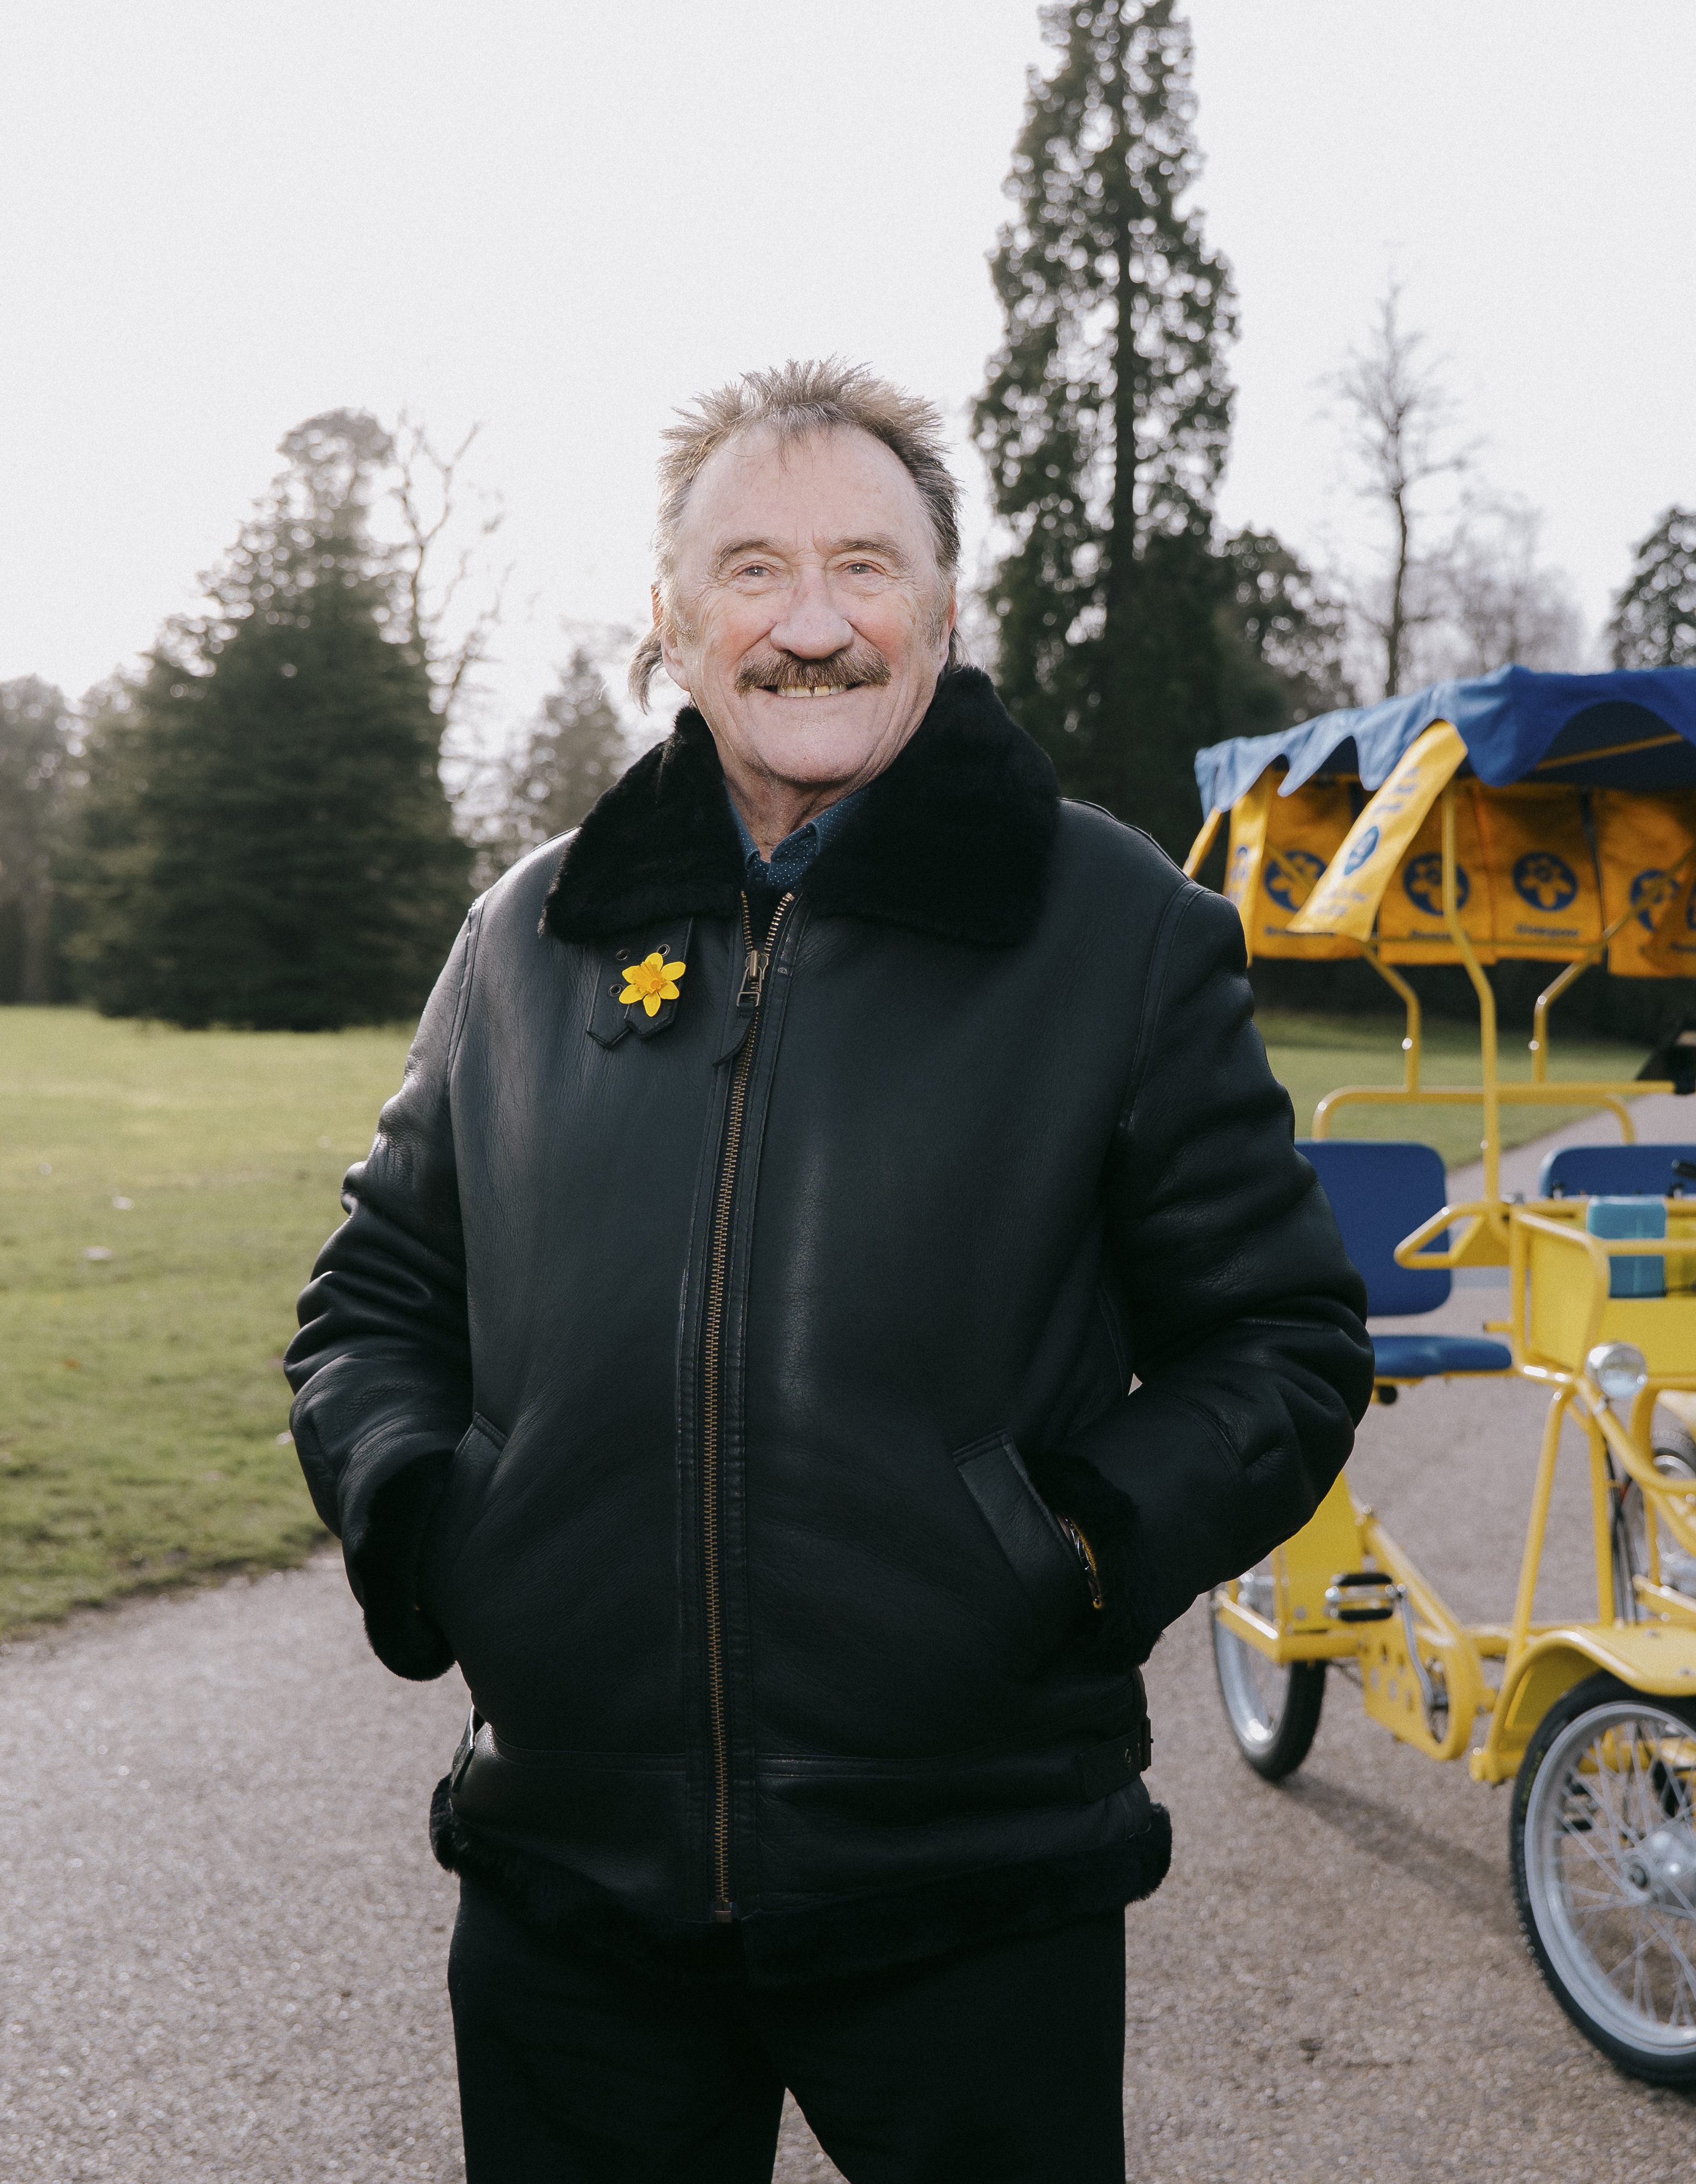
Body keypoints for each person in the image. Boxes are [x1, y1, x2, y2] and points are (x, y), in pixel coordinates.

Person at [284, 359, 1371, 2182]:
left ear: (943, 611)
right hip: (571, 1888)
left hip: (974, 1889)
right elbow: (376, 1298)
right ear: (670, 618)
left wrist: (1068, 1551)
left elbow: (1279, 1341)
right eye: (753, 570)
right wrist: (433, 1523)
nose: (810, 626)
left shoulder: (1119, 933)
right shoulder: (532, 931)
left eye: (866, 569)